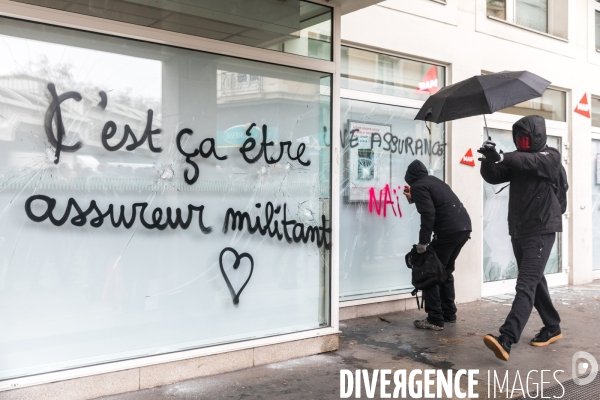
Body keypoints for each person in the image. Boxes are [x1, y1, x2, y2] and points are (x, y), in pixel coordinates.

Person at [478, 115, 563, 362]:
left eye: (525, 138)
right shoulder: (519, 159)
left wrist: (503, 156)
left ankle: (507, 338)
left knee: (525, 284)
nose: (521, 143)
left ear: (537, 138)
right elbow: (494, 176)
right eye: (518, 139)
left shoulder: (550, 156)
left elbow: (529, 160)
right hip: (520, 230)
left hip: (541, 229)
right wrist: (487, 159)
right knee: (534, 282)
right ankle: (552, 326)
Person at [403, 160, 472, 331]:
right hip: (463, 228)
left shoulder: (418, 186)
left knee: (430, 272)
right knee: (444, 271)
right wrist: (414, 199)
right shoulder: (434, 181)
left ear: (410, 176)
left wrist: (423, 242)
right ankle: (449, 313)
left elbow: (428, 213)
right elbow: (438, 204)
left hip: (448, 231)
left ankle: (435, 318)